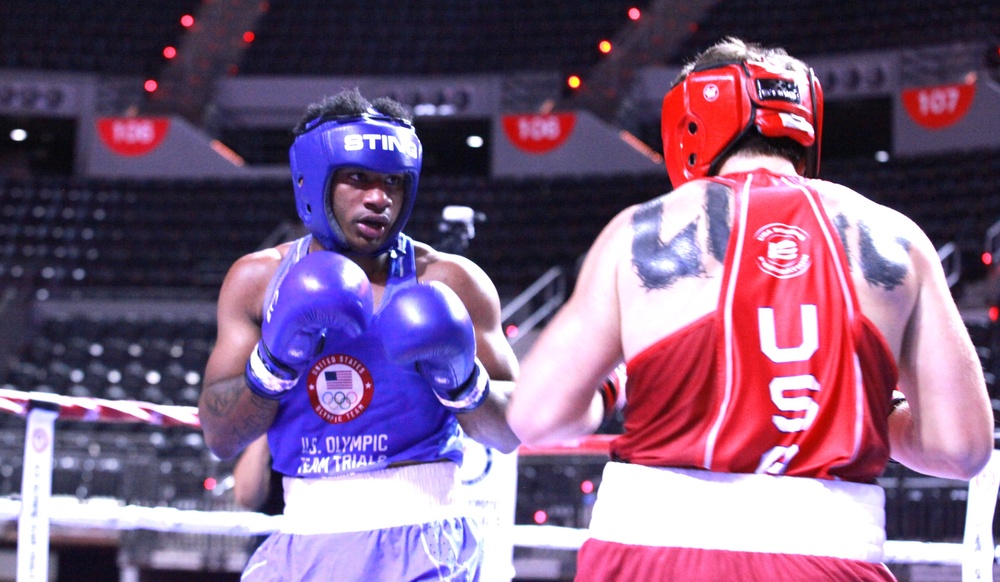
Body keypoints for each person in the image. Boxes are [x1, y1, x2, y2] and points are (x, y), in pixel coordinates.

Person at [506, 37, 994, 581]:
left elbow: (535, 416)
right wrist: (865, 408)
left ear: (690, 122)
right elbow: (961, 449)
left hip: (652, 557)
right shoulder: (899, 241)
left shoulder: (644, 232)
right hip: (828, 559)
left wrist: (611, 386)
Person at [199, 88, 520, 581]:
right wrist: (274, 362)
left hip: (427, 537)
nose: (379, 198)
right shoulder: (259, 282)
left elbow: (511, 431)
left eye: (393, 182)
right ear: (312, 180)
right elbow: (221, 436)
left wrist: (462, 380)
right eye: (357, 178)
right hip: (305, 538)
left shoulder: (451, 281)